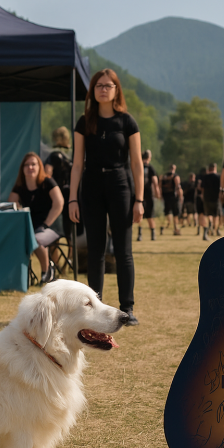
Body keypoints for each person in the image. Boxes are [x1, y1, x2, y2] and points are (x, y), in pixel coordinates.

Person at [68, 68, 143, 326]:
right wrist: (72, 199)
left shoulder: (127, 122)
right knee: (95, 250)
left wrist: (140, 200)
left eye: (108, 85)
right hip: (91, 186)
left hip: (120, 185)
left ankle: (128, 308)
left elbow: (137, 164)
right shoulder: (84, 121)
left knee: (123, 251)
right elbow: (77, 164)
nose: (103, 88)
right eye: (99, 85)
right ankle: (93, 309)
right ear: (93, 91)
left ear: (116, 90)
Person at [8, 152, 63, 283]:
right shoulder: (20, 186)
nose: (30, 167)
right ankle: (19, 277)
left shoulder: (47, 182)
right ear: (22, 169)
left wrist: (45, 224)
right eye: (26, 165)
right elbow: (10, 206)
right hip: (31, 227)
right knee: (15, 239)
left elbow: (59, 203)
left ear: (40, 167)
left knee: (36, 239)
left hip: (51, 226)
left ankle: (47, 272)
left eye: (33, 164)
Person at [44, 126, 74, 241]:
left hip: (57, 195)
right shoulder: (69, 154)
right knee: (68, 228)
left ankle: (67, 256)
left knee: (55, 232)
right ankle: (71, 255)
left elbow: (47, 173)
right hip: (69, 194)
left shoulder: (54, 155)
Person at [137, 150, 160, 241]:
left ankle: (140, 234)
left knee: (140, 214)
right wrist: (157, 192)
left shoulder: (139, 166)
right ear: (149, 157)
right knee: (150, 215)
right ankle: (153, 234)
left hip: (139, 193)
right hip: (148, 194)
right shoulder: (150, 167)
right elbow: (154, 181)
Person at [199, 163, 221, 240]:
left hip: (207, 198)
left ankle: (210, 225)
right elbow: (221, 188)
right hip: (215, 199)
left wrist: (203, 195)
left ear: (209, 168)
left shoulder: (205, 177)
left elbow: (202, 188)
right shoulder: (218, 177)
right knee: (216, 215)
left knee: (208, 214)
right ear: (215, 168)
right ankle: (216, 229)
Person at [160, 165, 182, 236]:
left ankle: (164, 227)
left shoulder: (164, 176)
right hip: (174, 197)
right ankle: (176, 228)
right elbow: (178, 186)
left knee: (167, 212)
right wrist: (181, 196)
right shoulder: (175, 176)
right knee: (175, 214)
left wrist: (161, 196)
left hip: (166, 197)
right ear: (174, 168)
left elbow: (160, 186)